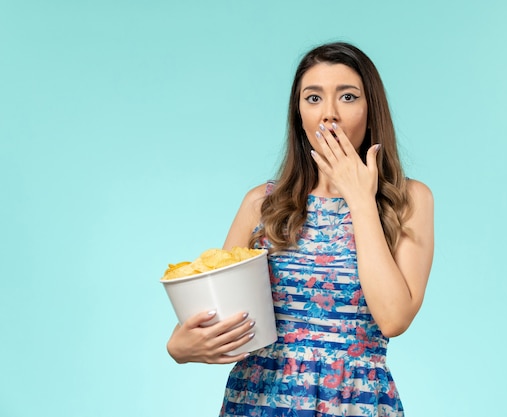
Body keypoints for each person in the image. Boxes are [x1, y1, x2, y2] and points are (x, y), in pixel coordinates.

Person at [166, 41, 434, 416]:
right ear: (299, 115)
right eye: (313, 98)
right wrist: (180, 348)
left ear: (371, 110)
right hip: (258, 401)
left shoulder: (408, 199)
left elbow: (393, 317)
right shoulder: (261, 204)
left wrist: (359, 200)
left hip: (353, 403)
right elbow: (224, 322)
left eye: (348, 97)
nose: (330, 115)